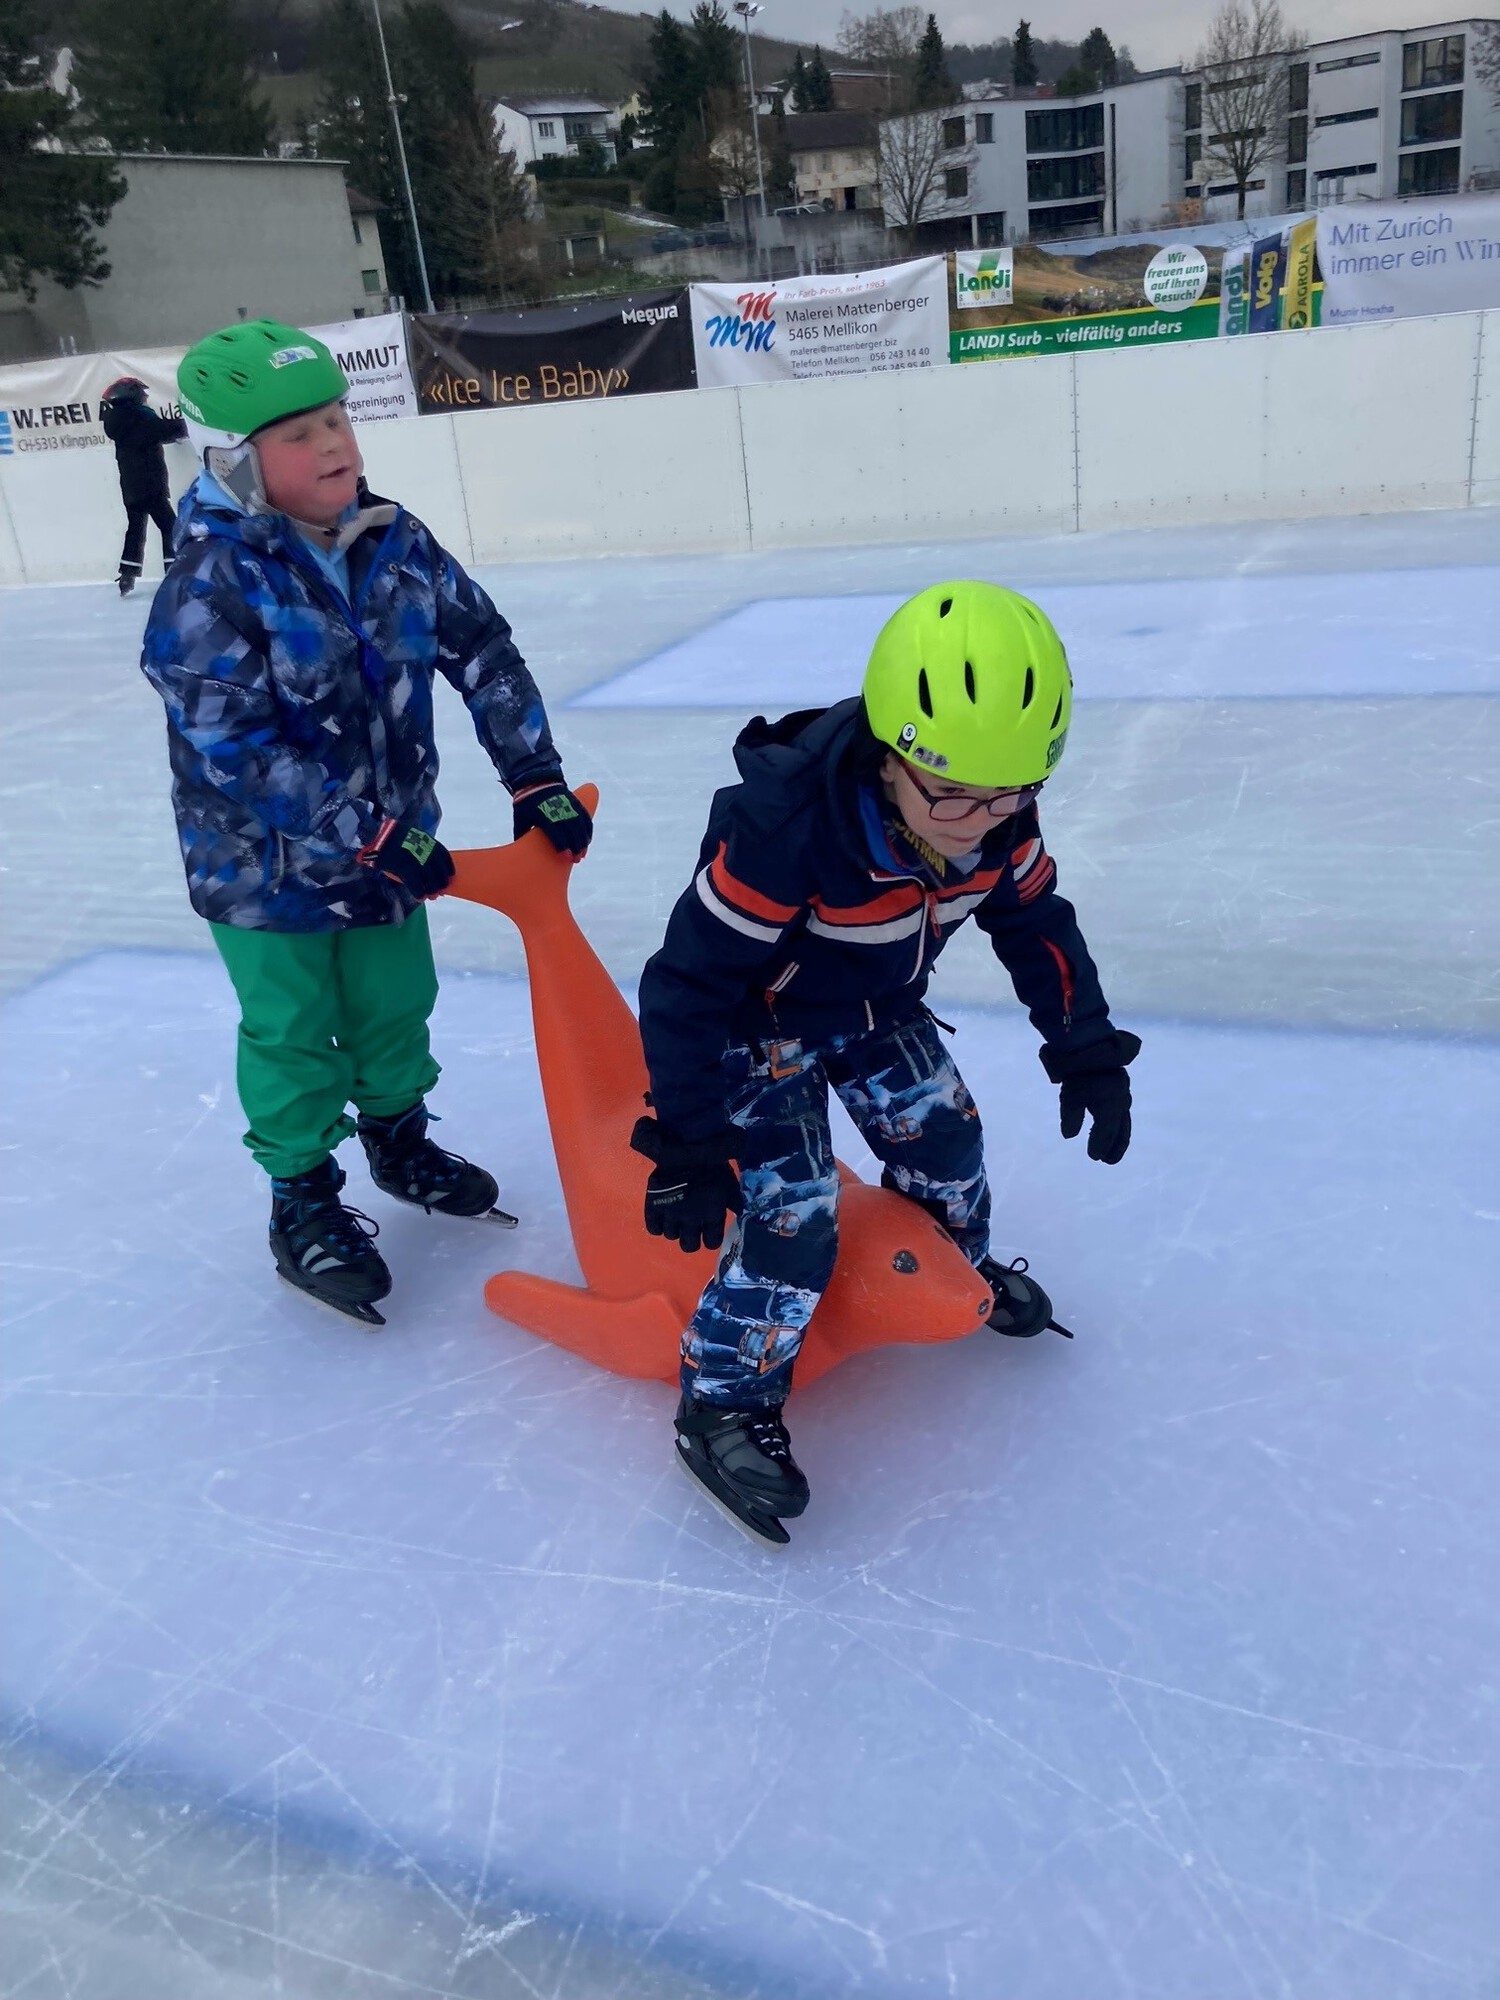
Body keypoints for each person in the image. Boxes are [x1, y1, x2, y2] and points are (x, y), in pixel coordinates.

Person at [631, 581, 1139, 1546]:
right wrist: (690, 1144)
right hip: (756, 1020)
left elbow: (1038, 925)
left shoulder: (998, 812)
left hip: (876, 1004)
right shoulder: (786, 831)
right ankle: (723, 1399)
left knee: (949, 1140)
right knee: (794, 1211)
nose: (975, 820)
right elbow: (685, 986)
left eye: (1009, 793)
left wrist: (1086, 1052)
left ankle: (956, 1266)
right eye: (950, 791)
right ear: (894, 751)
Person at [140, 318, 592, 1327]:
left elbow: (481, 647)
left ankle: (397, 1135)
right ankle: (300, 1197)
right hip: (263, 871)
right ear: (236, 459)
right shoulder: (206, 585)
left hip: (390, 855)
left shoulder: (394, 538)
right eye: (299, 433)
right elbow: (238, 746)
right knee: (296, 1031)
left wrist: (533, 773)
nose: (336, 443)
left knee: (396, 1002)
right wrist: (366, 830)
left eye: (339, 418)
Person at [100, 377, 186, 595]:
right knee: (170, 527)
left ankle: (128, 573)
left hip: (130, 485)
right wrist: (188, 425)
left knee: (136, 528)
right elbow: (162, 430)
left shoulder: (118, 420)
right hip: (149, 483)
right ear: (133, 395)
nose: (146, 399)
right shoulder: (138, 417)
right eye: (143, 394)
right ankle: (175, 571)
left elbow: (151, 435)